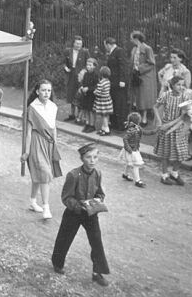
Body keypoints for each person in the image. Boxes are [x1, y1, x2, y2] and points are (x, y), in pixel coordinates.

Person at [51, 143, 110, 287]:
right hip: (74, 213)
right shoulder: (73, 175)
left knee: (96, 241)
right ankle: (57, 263)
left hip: (91, 214)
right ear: (82, 158)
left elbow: (100, 193)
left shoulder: (97, 174)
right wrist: (78, 207)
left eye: (95, 157)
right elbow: (66, 197)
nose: (92, 161)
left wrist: (98, 200)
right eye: (88, 157)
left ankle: (97, 272)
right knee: (65, 238)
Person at [21, 79, 62, 219]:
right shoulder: (32, 108)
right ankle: (46, 207)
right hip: (36, 142)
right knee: (45, 174)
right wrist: (26, 151)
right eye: (43, 90)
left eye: (49, 90)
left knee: (39, 176)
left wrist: (55, 144)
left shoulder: (53, 106)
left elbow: (54, 127)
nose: (46, 93)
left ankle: (33, 201)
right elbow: (28, 132)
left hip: (49, 143)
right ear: (37, 91)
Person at [154, 76, 190, 185]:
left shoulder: (184, 97)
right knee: (165, 152)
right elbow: (155, 107)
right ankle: (164, 175)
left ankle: (175, 173)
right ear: (172, 85)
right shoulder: (166, 95)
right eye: (178, 84)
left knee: (181, 152)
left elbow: (184, 116)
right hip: (166, 128)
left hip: (179, 128)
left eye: (182, 85)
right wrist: (160, 122)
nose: (181, 87)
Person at [119, 112, 156, 188]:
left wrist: (155, 131)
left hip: (133, 149)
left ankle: (125, 174)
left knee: (129, 163)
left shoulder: (137, 128)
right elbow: (125, 138)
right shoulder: (133, 129)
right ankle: (137, 180)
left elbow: (145, 132)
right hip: (132, 150)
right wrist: (128, 148)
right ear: (138, 121)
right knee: (136, 164)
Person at [130, 31, 157, 127]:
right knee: (137, 97)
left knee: (144, 98)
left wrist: (140, 68)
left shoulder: (147, 48)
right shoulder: (134, 49)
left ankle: (145, 119)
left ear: (136, 39)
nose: (131, 40)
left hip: (145, 77)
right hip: (136, 76)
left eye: (132, 38)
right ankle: (140, 117)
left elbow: (151, 63)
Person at [105, 37, 130, 131]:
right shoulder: (113, 52)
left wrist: (122, 80)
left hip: (119, 82)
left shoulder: (119, 51)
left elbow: (123, 65)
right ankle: (115, 123)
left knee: (120, 103)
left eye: (105, 46)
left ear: (108, 44)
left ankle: (122, 125)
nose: (106, 48)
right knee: (114, 102)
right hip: (113, 82)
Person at [64, 36, 90, 122]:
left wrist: (84, 70)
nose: (79, 45)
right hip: (71, 74)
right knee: (71, 94)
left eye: (80, 44)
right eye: (77, 43)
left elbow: (89, 63)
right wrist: (65, 68)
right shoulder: (68, 51)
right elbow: (64, 62)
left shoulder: (85, 52)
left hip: (80, 75)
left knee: (79, 95)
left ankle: (79, 116)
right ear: (73, 43)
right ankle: (72, 114)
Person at [79, 58, 99, 133]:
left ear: (94, 66)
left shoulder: (95, 75)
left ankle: (92, 125)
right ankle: (87, 123)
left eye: (90, 65)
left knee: (91, 110)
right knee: (86, 110)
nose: (88, 66)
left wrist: (89, 88)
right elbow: (83, 82)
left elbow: (96, 85)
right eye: (87, 65)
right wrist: (82, 87)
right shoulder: (86, 74)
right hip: (86, 95)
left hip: (92, 95)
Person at [93, 66, 113, 136]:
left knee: (103, 115)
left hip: (102, 101)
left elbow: (98, 92)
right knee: (106, 115)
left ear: (101, 74)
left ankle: (106, 129)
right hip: (107, 100)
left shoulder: (101, 82)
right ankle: (103, 128)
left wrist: (95, 92)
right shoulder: (108, 81)